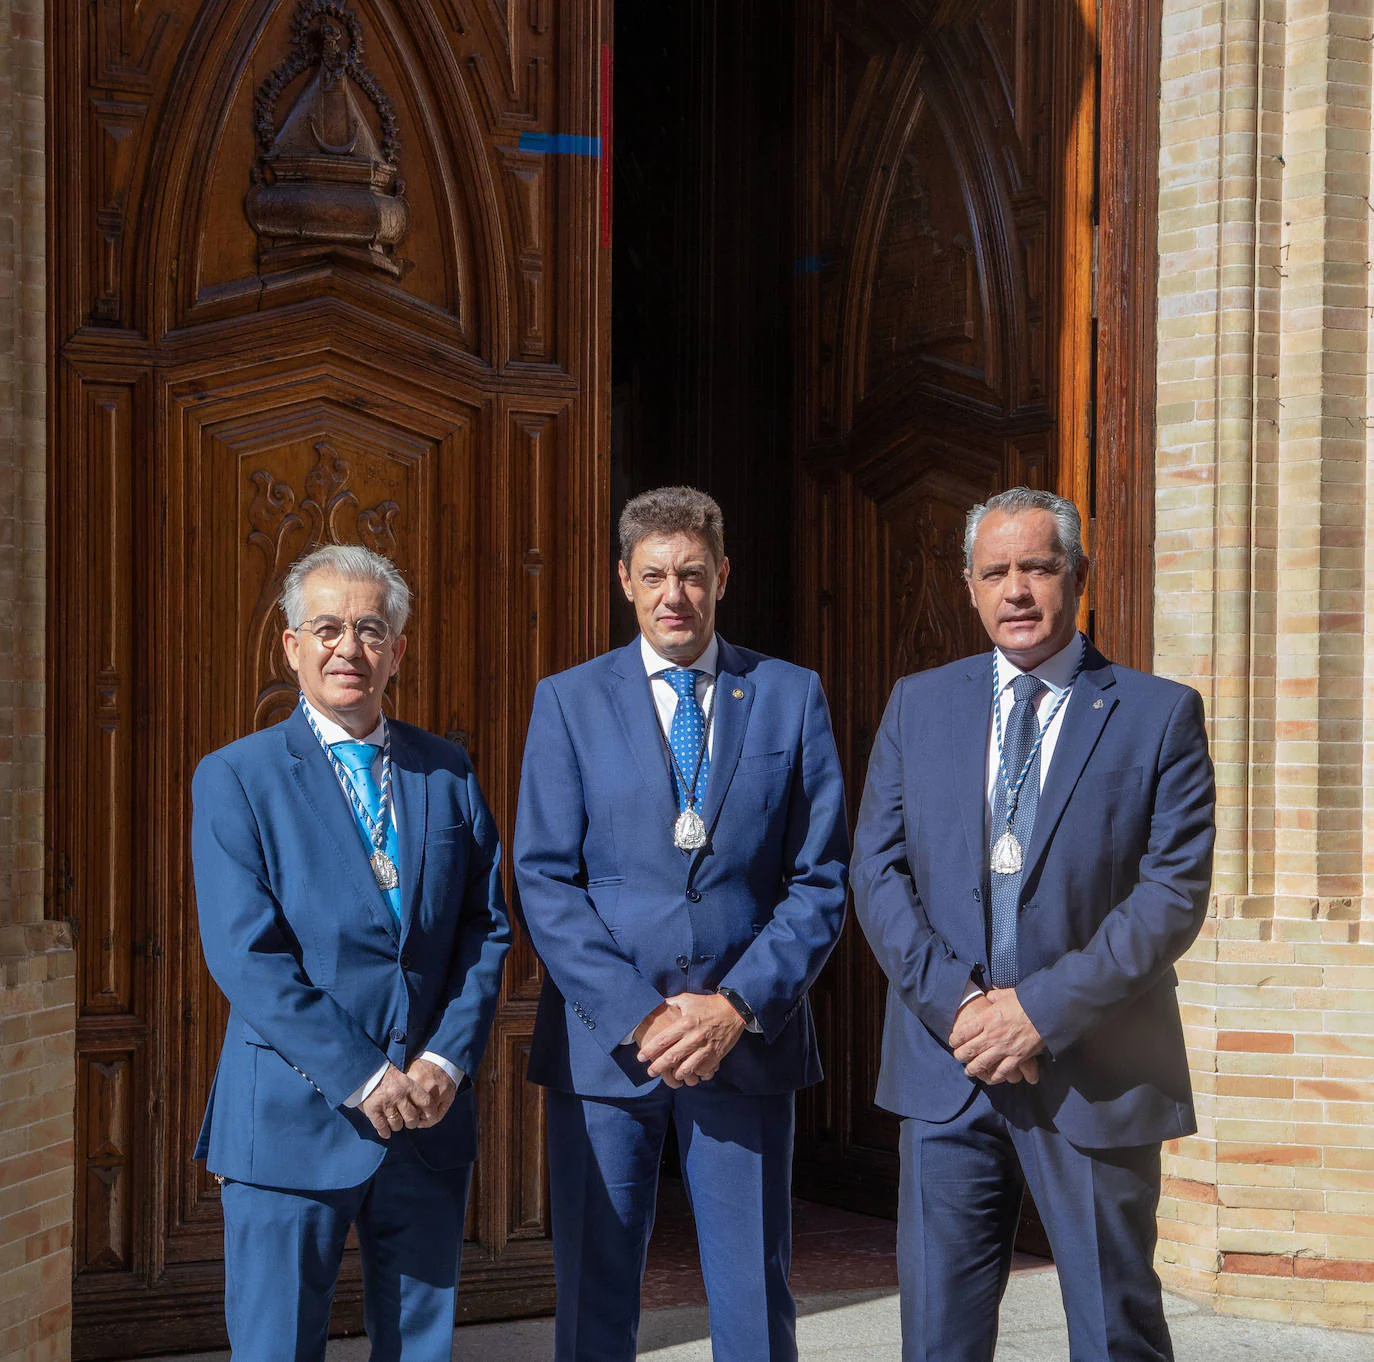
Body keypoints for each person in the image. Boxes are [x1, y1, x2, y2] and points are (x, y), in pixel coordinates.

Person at [852, 487, 1215, 1362]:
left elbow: (1171, 895)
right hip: (949, 1069)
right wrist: (963, 1007)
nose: (1017, 590)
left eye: (1038, 568)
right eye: (996, 572)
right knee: (938, 1336)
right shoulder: (918, 704)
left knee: (1112, 1330)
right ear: (970, 588)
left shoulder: (1157, 715)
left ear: (1078, 577)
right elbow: (877, 869)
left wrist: (1038, 1012)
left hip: (1093, 1068)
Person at [514, 486, 849, 1362]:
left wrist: (733, 1008)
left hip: (743, 1043)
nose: (675, 595)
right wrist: (643, 1014)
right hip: (608, 1046)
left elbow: (820, 878)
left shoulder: (787, 695)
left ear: (723, 577)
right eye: (655, 574)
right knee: (596, 1293)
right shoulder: (569, 701)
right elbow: (545, 879)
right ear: (625, 580)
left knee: (752, 1299)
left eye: (693, 575)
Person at [191, 543, 510, 1362]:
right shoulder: (237, 778)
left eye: (370, 629)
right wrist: (364, 1076)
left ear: (397, 652)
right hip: (292, 1123)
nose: (349, 648)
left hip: (427, 1120)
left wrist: (446, 1057)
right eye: (326, 628)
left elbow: (485, 927)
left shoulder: (447, 772)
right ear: (291, 646)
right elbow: (245, 956)